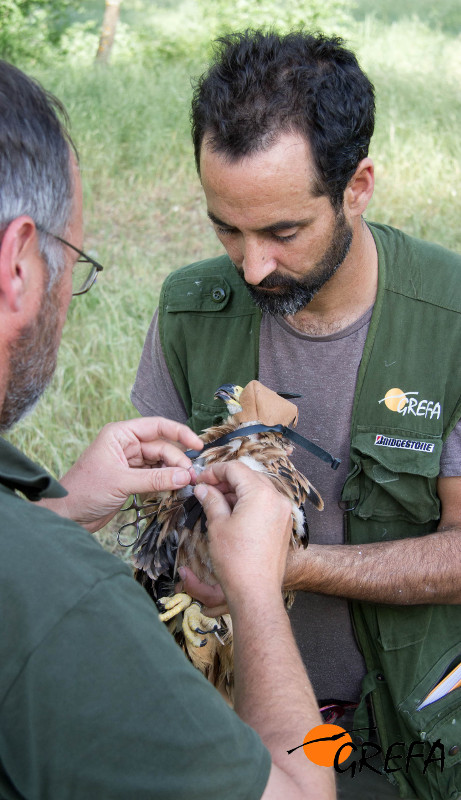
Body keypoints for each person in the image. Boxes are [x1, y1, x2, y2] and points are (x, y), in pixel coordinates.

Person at [0, 42, 336, 800]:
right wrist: (255, 589)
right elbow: (302, 792)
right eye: (67, 259)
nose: (250, 268)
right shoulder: (60, 608)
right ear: (17, 263)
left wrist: (56, 511)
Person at [131, 29, 461, 800]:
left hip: (402, 739)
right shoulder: (190, 309)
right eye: (225, 226)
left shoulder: (448, 323)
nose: (251, 267)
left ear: (357, 186)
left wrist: (287, 567)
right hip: (227, 727)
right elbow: (156, 510)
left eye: (282, 232)